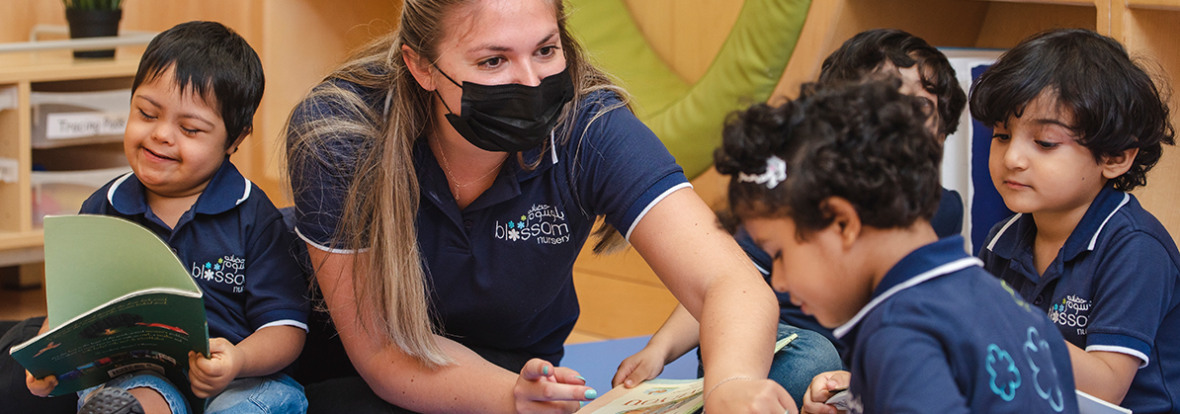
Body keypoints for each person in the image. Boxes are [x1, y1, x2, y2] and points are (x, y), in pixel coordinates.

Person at [283, 0, 790, 413]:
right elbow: (380, 350)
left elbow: (731, 280)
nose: (530, 82)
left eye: (545, 50)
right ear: (421, 66)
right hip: (347, 365)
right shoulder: (341, 131)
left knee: (798, 365)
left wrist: (734, 387)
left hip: (516, 369)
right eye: (493, 61)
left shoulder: (591, 127)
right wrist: (509, 398)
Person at [611, 29, 972, 403]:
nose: (902, 120)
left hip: (853, 363)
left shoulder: (941, 212)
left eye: (922, 108)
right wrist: (660, 349)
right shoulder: (795, 199)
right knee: (813, 359)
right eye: (885, 102)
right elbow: (727, 282)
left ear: (942, 133)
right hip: (770, 343)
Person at [717, 80, 1077, 413]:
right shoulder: (1007, 303)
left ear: (842, 223)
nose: (777, 281)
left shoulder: (898, 334)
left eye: (778, 253)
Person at [25, 21, 310, 414]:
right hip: (138, 374)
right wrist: (46, 362)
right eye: (146, 113)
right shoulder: (102, 208)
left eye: (190, 129)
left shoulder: (255, 216)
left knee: (265, 401)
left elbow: (286, 328)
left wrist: (238, 361)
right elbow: (66, 312)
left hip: (239, 380)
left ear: (235, 140)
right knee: (131, 397)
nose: (161, 135)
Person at [972, 28, 1179, 412]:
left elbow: (1106, 387)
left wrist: (997, 322)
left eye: (1045, 143)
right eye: (1002, 136)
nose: (1012, 158)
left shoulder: (1136, 248)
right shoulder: (1001, 238)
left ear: (1115, 157)